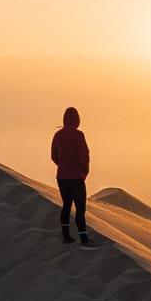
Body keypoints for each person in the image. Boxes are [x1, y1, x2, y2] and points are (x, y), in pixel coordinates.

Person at [50, 106, 95, 247]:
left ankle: (66, 236)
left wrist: (62, 165)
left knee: (66, 206)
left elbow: (53, 156)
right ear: (77, 120)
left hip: (62, 177)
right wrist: (84, 172)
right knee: (80, 209)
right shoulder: (78, 135)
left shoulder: (58, 135)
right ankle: (84, 238)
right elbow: (84, 156)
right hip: (76, 177)